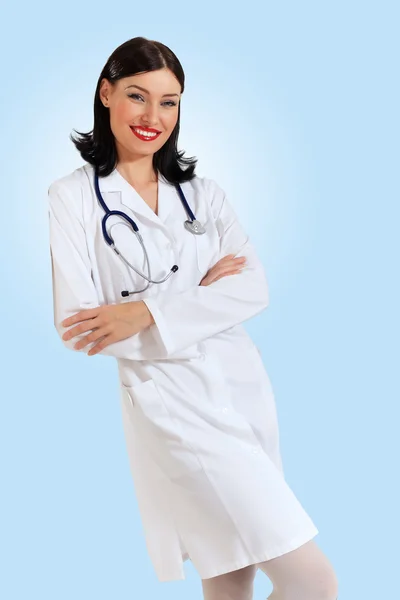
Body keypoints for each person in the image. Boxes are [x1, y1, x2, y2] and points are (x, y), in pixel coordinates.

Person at [47, 36, 339, 600]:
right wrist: (197, 302)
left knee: (231, 579)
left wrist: (144, 311)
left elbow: (253, 289)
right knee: (313, 582)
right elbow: (81, 326)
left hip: (242, 390)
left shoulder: (202, 195)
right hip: (171, 406)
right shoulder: (73, 198)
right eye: (137, 95)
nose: (153, 116)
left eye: (170, 101)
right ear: (106, 94)